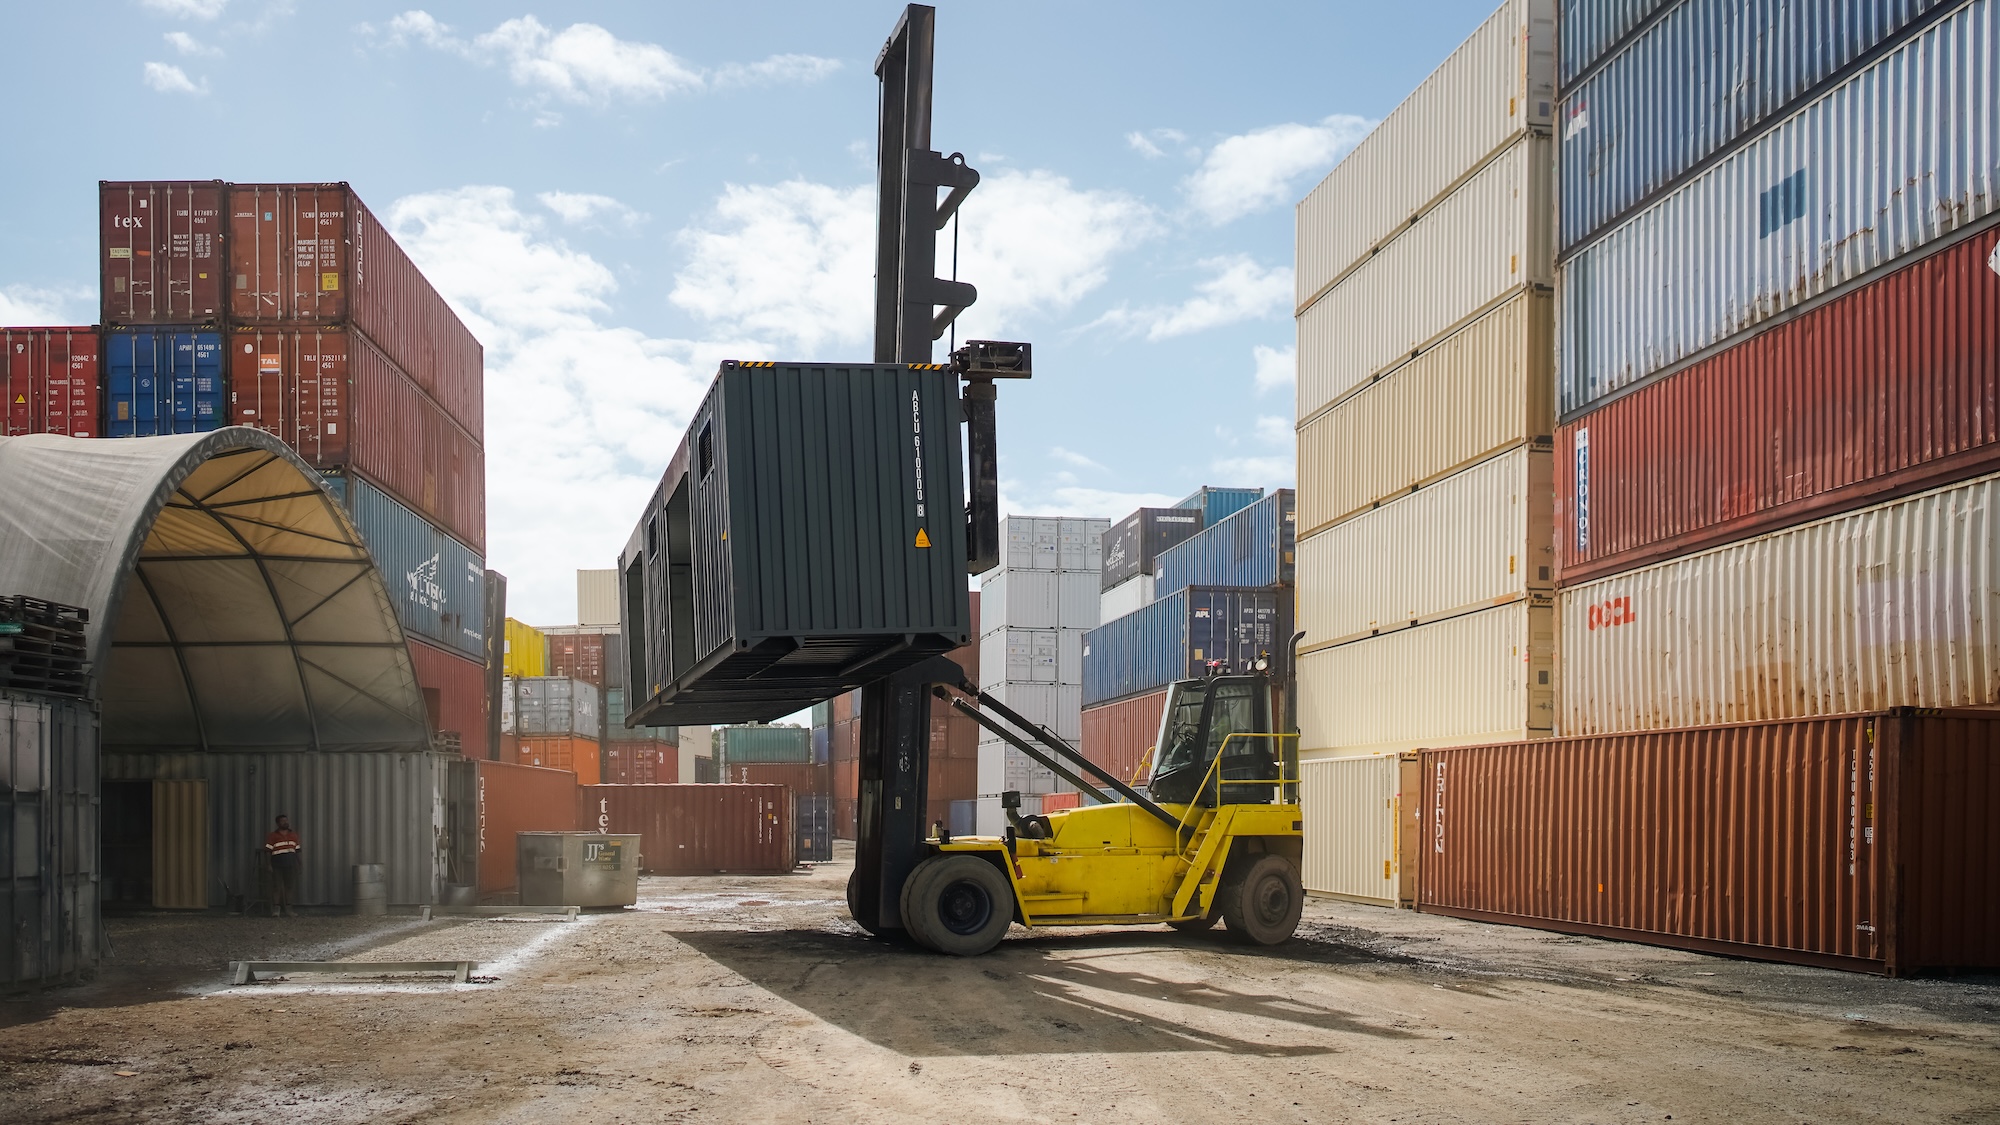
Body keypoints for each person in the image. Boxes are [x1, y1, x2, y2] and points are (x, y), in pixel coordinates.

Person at [264, 815, 301, 917]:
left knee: (289, 886)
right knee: (276, 886)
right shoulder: (272, 836)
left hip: (291, 864)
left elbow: (297, 851)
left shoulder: (293, 835)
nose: (285, 822)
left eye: (286, 820)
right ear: (278, 823)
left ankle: (289, 909)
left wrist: (299, 864)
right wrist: (269, 865)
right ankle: (276, 909)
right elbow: (268, 852)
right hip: (277, 864)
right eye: (282, 821)